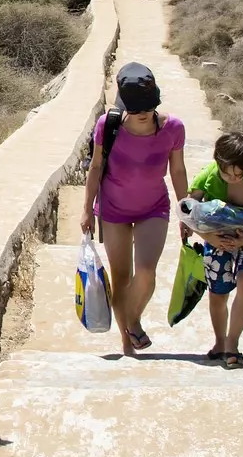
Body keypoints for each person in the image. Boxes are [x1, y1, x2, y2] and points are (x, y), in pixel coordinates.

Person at [78, 63, 188, 354]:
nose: (143, 114)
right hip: (114, 209)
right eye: (136, 109)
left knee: (147, 272)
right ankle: (127, 344)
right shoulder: (108, 125)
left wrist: (186, 209)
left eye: (148, 108)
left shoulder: (173, 128)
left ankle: (133, 320)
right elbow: (96, 166)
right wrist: (87, 209)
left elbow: (177, 170)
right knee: (121, 276)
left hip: (154, 207)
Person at [185, 132, 243, 368]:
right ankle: (220, 342)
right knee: (218, 293)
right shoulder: (206, 178)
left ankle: (233, 344)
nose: (232, 177)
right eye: (226, 172)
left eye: (238, 172)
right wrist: (208, 237)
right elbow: (187, 213)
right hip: (216, 239)